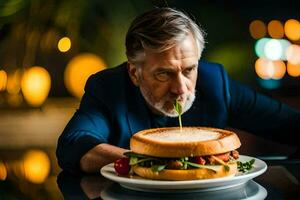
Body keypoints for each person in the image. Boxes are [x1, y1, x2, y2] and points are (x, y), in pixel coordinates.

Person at [56, 7, 300, 173]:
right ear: (134, 73)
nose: (181, 89)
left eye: (189, 70)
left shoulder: (215, 83)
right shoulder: (108, 88)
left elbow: (292, 126)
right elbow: (73, 145)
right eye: (164, 73)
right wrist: (155, 163)